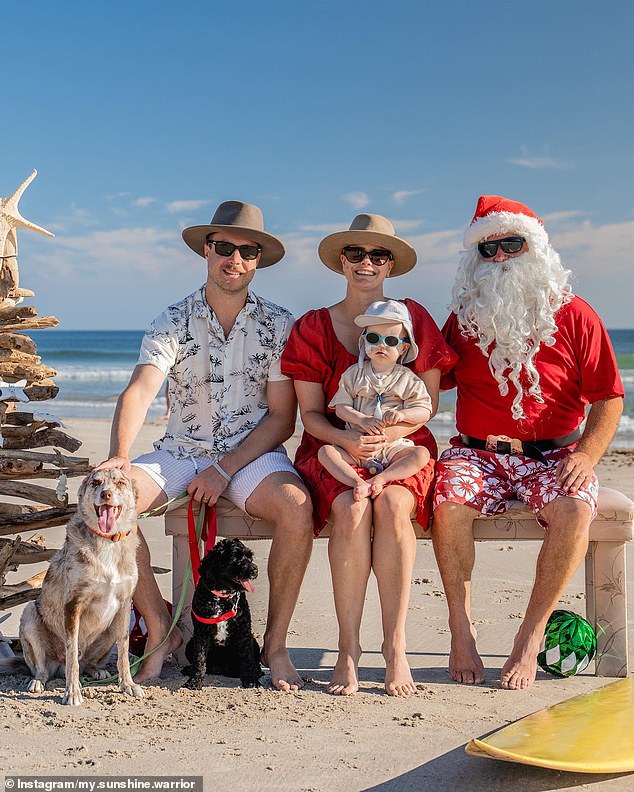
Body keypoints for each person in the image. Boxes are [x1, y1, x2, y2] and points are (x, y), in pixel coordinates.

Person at [97, 200, 313, 691]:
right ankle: (159, 624)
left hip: (252, 454)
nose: (234, 259)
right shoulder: (172, 319)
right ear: (206, 251)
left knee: (298, 508)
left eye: (247, 251)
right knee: (112, 497)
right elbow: (141, 388)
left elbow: (282, 418)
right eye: (224, 248)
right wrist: (119, 455)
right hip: (181, 451)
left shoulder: (281, 324)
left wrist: (224, 468)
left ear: (258, 259)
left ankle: (274, 646)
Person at [432, 195, 624, 690]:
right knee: (449, 502)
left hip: (555, 455)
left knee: (576, 510)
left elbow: (608, 398)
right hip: (476, 451)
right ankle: (461, 627)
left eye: (510, 245)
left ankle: (531, 636)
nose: (498, 258)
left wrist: (586, 454)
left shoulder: (577, 315)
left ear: (533, 247)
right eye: (487, 250)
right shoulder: (465, 318)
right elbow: (428, 378)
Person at [281, 214, 456, 697]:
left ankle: (395, 646)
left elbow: (428, 406)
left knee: (394, 505)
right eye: (356, 253)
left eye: (378, 255)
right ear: (342, 260)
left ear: (391, 264)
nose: (366, 263)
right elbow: (312, 416)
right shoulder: (313, 327)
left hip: (402, 443)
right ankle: (348, 650)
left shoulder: (415, 318)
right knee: (352, 507)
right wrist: (349, 440)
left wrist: (385, 434)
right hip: (334, 446)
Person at [319, 299, 432, 502]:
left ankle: (380, 478)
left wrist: (402, 414)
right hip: (356, 445)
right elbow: (341, 407)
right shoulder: (353, 374)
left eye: (390, 341)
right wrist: (361, 420)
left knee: (421, 454)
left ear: (403, 349)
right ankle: (357, 482)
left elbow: (424, 410)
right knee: (326, 453)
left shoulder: (407, 379)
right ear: (364, 342)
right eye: (373, 338)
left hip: (393, 446)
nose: (381, 344)